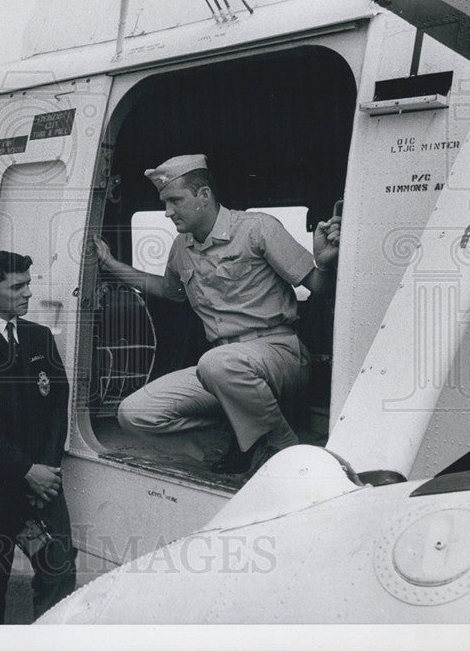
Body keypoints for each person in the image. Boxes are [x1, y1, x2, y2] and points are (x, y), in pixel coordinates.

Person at [93, 154, 341, 478]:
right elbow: (169, 291)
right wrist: (111, 264)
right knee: (135, 413)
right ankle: (226, 449)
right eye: (164, 203)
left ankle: (283, 452)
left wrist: (324, 261)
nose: (167, 212)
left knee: (218, 363)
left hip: (280, 354)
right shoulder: (181, 249)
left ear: (204, 196)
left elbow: (319, 286)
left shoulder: (257, 228)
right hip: (222, 369)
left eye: (174, 201)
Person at [0, 251, 76, 624]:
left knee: (59, 575)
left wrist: (48, 468)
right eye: (17, 286)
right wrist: (27, 470)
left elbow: (59, 401)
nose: (27, 293)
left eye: (29, 283)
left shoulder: (38, 337)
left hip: (44, 489)